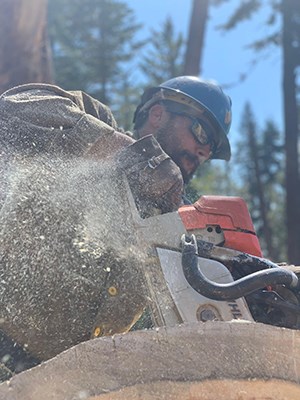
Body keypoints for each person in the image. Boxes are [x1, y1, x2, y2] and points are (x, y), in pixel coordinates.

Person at [0, 76, 232, 378]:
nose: (204, 152)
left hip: (67, 379)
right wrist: (129, 155)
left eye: (211, 148)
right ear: (158, 113)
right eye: (202, 132)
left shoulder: (172, 229)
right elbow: (12, 112)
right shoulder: (97, 121)